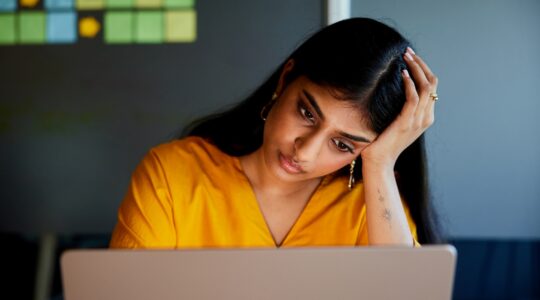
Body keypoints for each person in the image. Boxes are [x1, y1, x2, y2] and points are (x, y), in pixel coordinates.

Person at [109, 17, 442, 249]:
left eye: (341, 144)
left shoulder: (372, 204)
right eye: (307, 112)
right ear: (285, 80)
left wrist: (381, 163)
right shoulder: (171, 176)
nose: (305, 152)